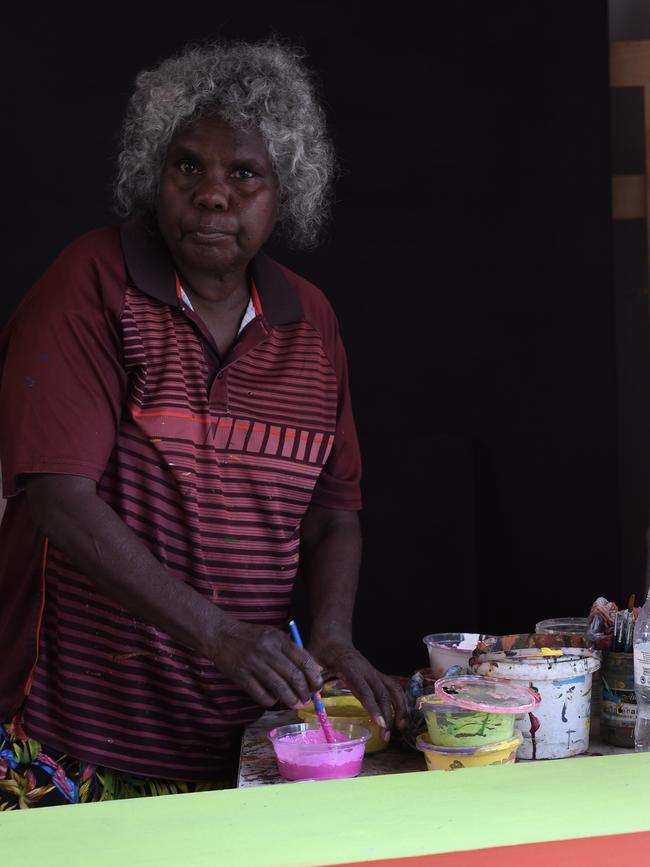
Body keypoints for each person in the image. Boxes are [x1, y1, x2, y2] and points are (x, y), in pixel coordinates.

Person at [0, 38, 406, 807]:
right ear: (153, 172)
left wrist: (329, 633)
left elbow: (331, 514)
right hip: (69, 744)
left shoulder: (310, 323)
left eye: (244, 173)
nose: (213, 193)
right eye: (188, 165)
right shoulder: (91, 285)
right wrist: (219, 632)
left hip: (241, 746)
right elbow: (58, 496)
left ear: (287, 191)